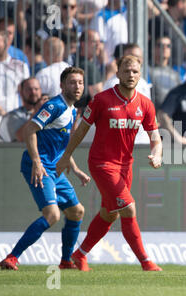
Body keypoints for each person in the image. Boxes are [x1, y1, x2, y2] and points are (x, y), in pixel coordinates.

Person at [56, 55, 163, 272]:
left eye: (135, 71)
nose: (130, 75)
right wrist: (67, 155)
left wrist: (157, 154)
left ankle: (80, 254)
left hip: (126, 166)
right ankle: (146, 262)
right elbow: (81, 131)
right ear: (118, 74)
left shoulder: (145, 104)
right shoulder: (101, 100)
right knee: (129, 208)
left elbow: (156, 138)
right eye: (126, 71)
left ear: (140, 75)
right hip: (102, 163)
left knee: (110, 213)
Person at [0, 67, 90, 270]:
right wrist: (38, 162)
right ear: (62, 85)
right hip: (38, 165)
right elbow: (30, 129)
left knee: (76, 211)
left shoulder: (72, 110)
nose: (77, 86)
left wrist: (74, 169)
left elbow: (62, 145)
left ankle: (66, 261)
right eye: (72, 82)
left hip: (54, 168)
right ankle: (12, 257)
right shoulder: (54, 105)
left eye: (80, 83)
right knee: (53, 215)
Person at [0, 77, 43, 142]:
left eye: (36, 89)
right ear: (21, 92)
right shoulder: (12, 117)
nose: (33, 92)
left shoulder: (46, 114)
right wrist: (37, 113)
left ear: (41, 91)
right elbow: (21, 138)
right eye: (29, 89)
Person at [149, 36, 181, 109]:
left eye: (168, 46)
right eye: (160, 45)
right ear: (153, 49)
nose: (164, 48)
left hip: (173, 117)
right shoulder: (147, 70)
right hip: (155, 116)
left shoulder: (175, 73)